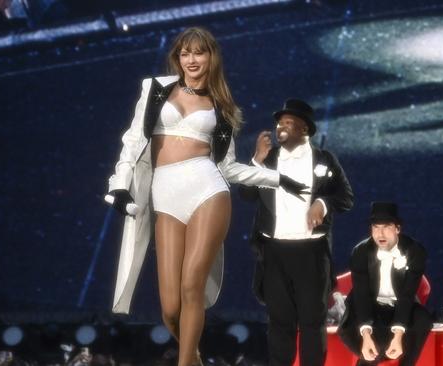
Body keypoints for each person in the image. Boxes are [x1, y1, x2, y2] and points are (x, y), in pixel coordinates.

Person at [106, 27, 305, 366]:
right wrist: (119, 184)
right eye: (185, 53)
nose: (192, 59)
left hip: (207, 191)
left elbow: (228, 168)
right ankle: (194, 358)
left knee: (191, 288)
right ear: (178, 58)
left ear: (211, 57)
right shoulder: (154, 90)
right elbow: (132, 141)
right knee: (170, 308)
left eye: (199, 52)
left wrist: (278, 178)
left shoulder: (221, 107)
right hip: (165, 198)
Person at [239, 98, 354, 366]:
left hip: (311, 253)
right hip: (275, 251)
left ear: (305, 129)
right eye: (280, 122)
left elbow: (346, 197)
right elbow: (246, 194)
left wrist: (323, 203)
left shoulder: (324, 160)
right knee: (280, 322)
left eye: (289, 123)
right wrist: (256, 161)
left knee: (312, 322)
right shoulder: (268, 160)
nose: (281, 127)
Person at [338, 202, 433, 366]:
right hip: (368, 306)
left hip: (400, 305)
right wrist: (365, 334)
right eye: (375, 227)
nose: (380, 233)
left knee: (422, 319)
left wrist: (398, 335)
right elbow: (362, 296)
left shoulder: (415, 251)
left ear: (397, 228)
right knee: (374, 346)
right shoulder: (361, 252)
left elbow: (407, 295)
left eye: (386, 227)